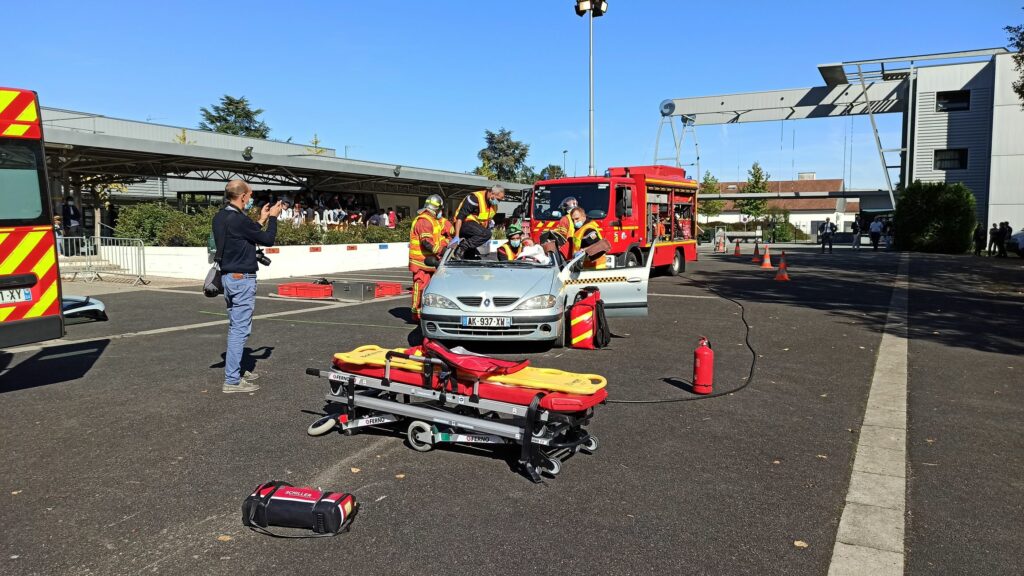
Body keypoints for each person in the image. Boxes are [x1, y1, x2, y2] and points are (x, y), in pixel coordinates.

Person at [211, 180, 282, 393]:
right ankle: (232, 380)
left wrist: (260, 220)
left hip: (229, 277)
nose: (251, 199)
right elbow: (267, 240)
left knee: (236, 326)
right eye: (249, 195)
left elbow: (245, 234)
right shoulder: (238, 220)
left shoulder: (222, 217)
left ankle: (236, 369)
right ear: (242, 196)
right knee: (239, 330)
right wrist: (273, 219)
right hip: (242, 279)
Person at [408, 195, 449, 322]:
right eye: (440, 209)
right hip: (420, 261)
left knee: (431, 290)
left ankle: (426, 312)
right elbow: (427, 242)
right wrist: (442, 250)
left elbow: (443, 234)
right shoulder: (424, 221)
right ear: (436, 208)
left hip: (430, 261)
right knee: (420, 286)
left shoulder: (433, 220)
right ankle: (416, 314)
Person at [453, 185, 504, 259]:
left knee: (470, 256)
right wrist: (456, 235)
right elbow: (460, 217)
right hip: (463, 225)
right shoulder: (474, 198)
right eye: (498, 199)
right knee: (486, 234)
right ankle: (461, 247)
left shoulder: (493, 206)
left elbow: (485, 221)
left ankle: (466, 257)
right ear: (492, 193)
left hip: (474, 229)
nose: (498, 202)